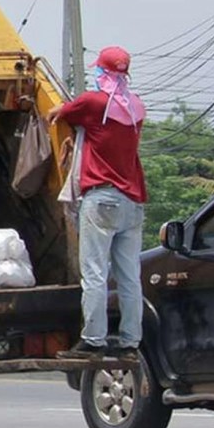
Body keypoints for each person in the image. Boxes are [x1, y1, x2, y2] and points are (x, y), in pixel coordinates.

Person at [47, 46, 146, 362]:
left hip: (102, 198)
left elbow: (57, 113)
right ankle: (131, 342)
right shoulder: (137, 107)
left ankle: (93, 340)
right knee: (129, 277)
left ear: (102, 71)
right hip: (133, 203)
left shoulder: (93, 103)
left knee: (94, 273)